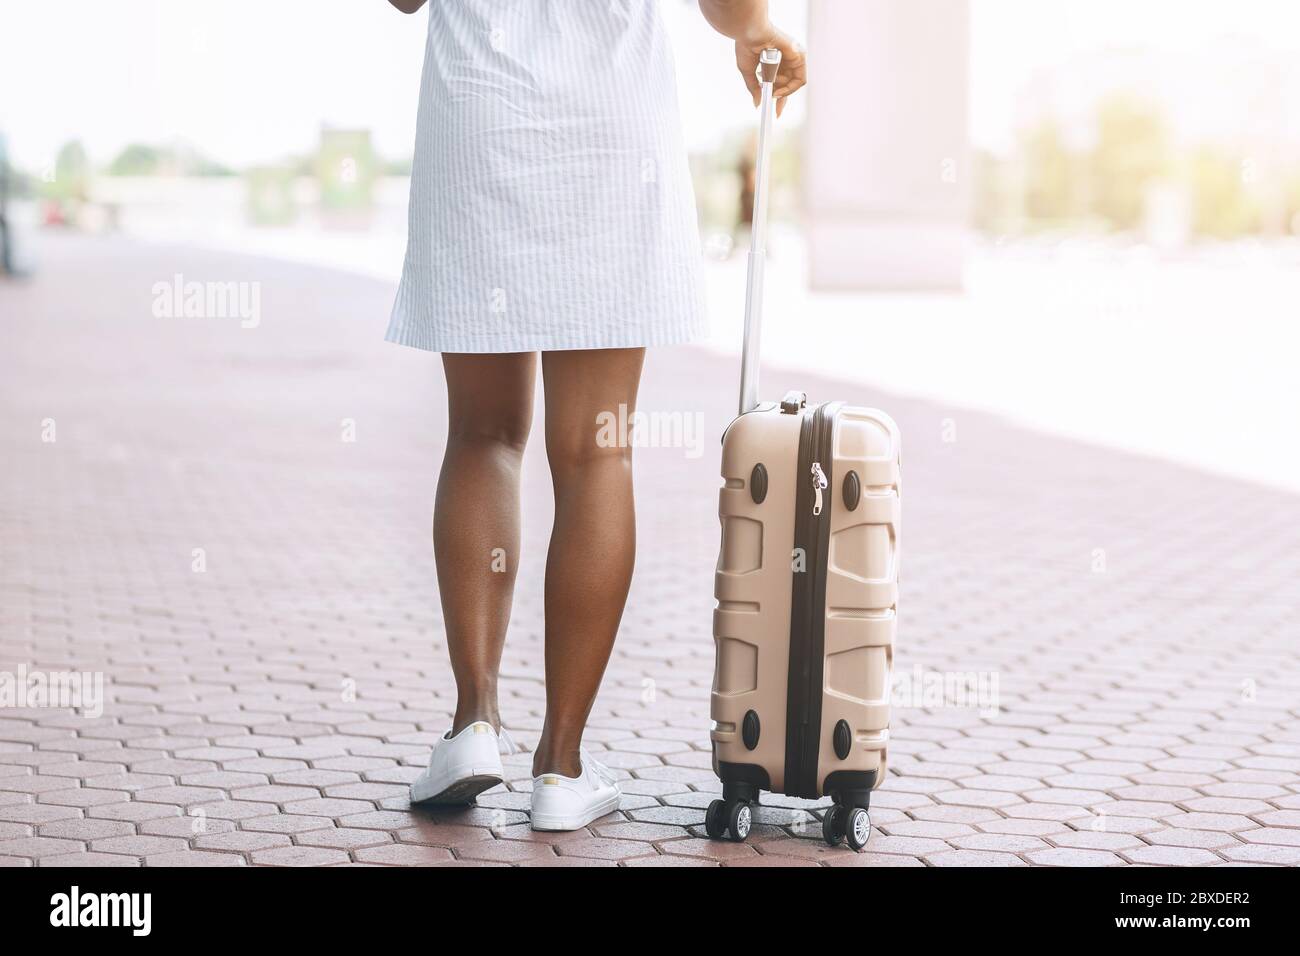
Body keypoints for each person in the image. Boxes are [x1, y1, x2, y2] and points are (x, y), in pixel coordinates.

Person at [386, 0, 805, 831]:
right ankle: (561, 766)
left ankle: (473, 722)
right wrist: (755, 29)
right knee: (595, 457)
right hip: (610, 127)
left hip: (481, 108)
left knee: (483, 436)